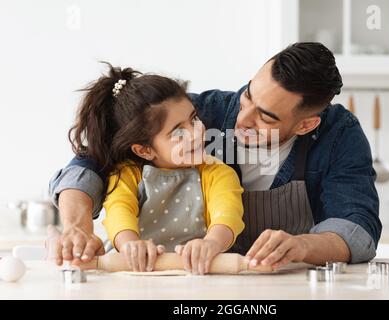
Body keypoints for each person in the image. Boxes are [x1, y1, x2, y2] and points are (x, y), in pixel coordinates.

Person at [49, 42, 381, 270]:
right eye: (248, 94)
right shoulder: (197, 111)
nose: (242, 118)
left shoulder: (339, 135)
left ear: (307, 124)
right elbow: (94, 156)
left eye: (265, 117)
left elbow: (358, 229)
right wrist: (77, 228)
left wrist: (304, 246)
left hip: (280, 286)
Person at [49, 63, 244, 275]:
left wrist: (212, 243)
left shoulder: (219, 173)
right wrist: (130, 244)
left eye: (194, 118)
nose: (196, 132)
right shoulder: (127, 174)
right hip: (134, 273)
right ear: (144, 150)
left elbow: (228, 215)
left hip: (196, 275)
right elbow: (119, 211)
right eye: (179, 132)